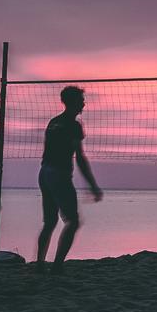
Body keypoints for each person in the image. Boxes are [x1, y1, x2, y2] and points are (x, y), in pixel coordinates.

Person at [36, 85, 103, 274]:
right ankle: (57, 266)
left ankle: (40, 264)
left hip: (44, 173)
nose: (84, 103)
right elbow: (80, 157)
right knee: (72, 221)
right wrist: (93, 185)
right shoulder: (73, 125)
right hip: (58, 174)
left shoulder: (53, 122)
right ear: (73, 102)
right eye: (81, 100)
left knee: (49, 222)